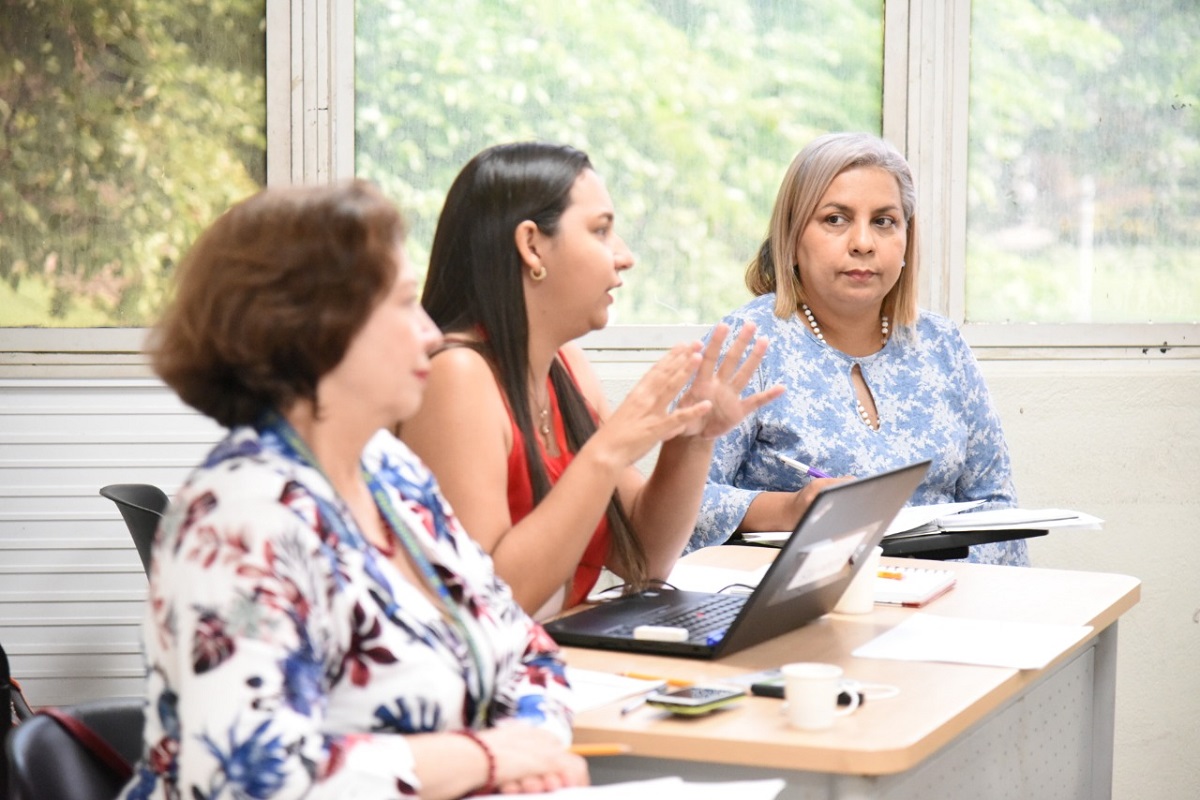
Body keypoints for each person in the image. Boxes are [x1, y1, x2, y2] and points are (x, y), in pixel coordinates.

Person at [118, 180, 588, 800]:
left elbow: (529, 652)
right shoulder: (238, 519)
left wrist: (534, 752)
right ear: (316, 330)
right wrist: (485, 757)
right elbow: (250, 779)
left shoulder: (390, 470)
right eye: (402, 304)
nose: (430, 333)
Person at [398, 142, 783, 618]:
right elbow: (491, 604)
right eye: (601, 231)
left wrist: (694, 440)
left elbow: (645, 558)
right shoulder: (456, 375)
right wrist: (609, 450)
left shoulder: (568, 367)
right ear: (532, 245)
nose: (624, 257)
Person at [691, 132, 1028, 567]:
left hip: (946, 605)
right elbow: (682, 503)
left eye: (885, 221)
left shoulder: (943, 345)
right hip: (805, 607)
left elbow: (996, 505)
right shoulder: (745, 344)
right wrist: (789, 510)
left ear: (907, 240)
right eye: (835, 219)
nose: (863, 243)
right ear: (792, 238)